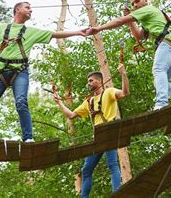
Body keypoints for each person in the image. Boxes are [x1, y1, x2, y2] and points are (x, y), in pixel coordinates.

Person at [0, 2, 88, 142]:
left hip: (19, 72)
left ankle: (28, 138)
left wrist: (78, 32)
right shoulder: (1, 28)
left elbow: (55, 34)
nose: (31, 10)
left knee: (21, 102)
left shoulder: (31, 32)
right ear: (17, 9)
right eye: (28, 7)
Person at [86, 0, 171, 109]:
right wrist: (130, 21)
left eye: (137, 1)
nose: (135, 5)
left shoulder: (147, 9)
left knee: (158, 70)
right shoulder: (147, 16)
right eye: (133, 4)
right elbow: (138, 36)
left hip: (168, 44)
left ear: (146, 1)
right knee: (160, 82)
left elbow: (120, 21)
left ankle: (161, 103)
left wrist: (99, 28)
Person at [53, 63, 129, 197]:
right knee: (86, 169)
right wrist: (59, 102)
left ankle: (117, 193)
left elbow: (125, 93)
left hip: (109, 132)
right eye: (88, 81)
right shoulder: (89, 101)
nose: (88, 83)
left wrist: (123, 74)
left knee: (112, 164)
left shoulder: (109, 92)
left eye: (91, 80)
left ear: (99, 81)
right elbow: (71, 115)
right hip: (97, 136)